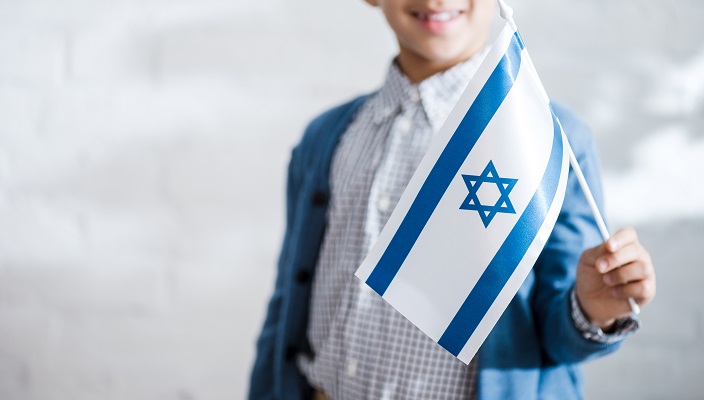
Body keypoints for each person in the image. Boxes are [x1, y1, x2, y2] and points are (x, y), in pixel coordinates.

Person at [248, 0, 657, 399]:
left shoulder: (545, 137)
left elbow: (558, 336)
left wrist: (591, 309)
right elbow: (288, 297)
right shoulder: (326, 136)